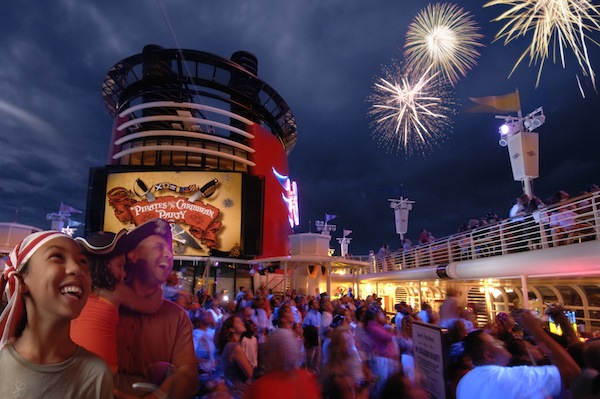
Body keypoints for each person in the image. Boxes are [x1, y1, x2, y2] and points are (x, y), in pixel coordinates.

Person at [0, 231, 113, 398]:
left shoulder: (95, 374)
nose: (77, 268)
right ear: (21, 281)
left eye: (83, 262)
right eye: (57, 257)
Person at [113, 218, 198, 399]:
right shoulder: (105, 305)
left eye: (169, 249)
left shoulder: (177, 317)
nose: (168, 254)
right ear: (133, 255)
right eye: (159, 247)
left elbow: (188, 376)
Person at [71, 230, 164, 373]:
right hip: (103, 371)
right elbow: (152, 306)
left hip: (74, 367)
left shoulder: (78, 287)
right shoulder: (115, 289)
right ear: (104, 266)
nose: (124, 273)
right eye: (120, 265)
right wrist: (159, 285)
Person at [456, 310, 581, 399]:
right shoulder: (510, 377)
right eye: (495, 342)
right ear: (488, 356)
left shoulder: (464, 382)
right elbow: (571, 373)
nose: (502, 344)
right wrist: (537, 331)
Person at [219, 315, 255, 398]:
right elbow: (249, 373)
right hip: (240, 392)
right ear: (231, 329)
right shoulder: (234, 347)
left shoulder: (230, 345)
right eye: (238, 322)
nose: (242, 323)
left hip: (233, 390)